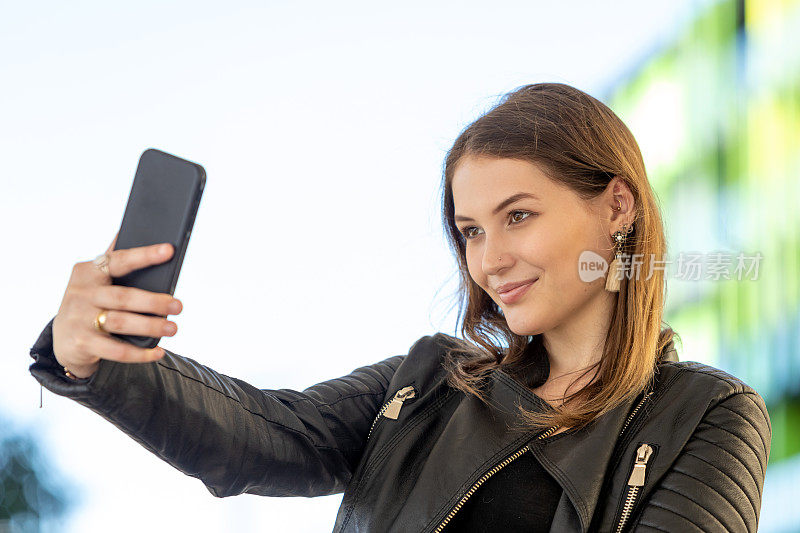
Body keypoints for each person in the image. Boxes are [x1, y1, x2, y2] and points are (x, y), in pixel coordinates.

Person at [30, 83, 770, 532]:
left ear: (616, 204)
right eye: (472, 230)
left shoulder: (708, 413)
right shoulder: (428, 384)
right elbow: (258, 436)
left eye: (518, 216)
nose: (490, 259)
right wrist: (90, 357)